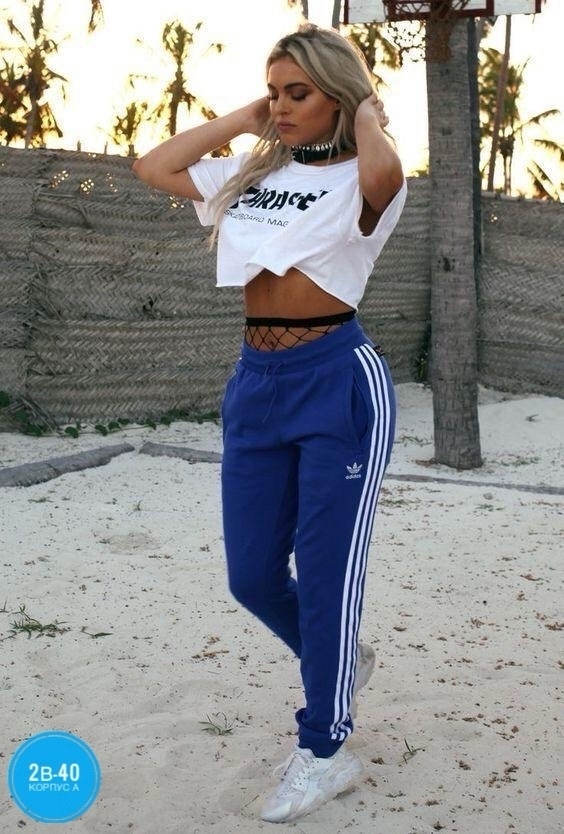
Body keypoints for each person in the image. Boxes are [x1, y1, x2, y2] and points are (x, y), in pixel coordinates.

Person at [133, 23, 406, 824]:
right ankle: (339, 657)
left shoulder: (367, 173)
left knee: (324, 577)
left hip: (337, 382)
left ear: (338, 96)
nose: (283, 106)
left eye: (299, 93)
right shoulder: (254, 175)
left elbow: (385, 173)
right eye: (275, 91)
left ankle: (325, 751)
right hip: (256, 383)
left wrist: (365, 112)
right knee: (251, 576)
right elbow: (154, 166)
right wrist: (250, 116)